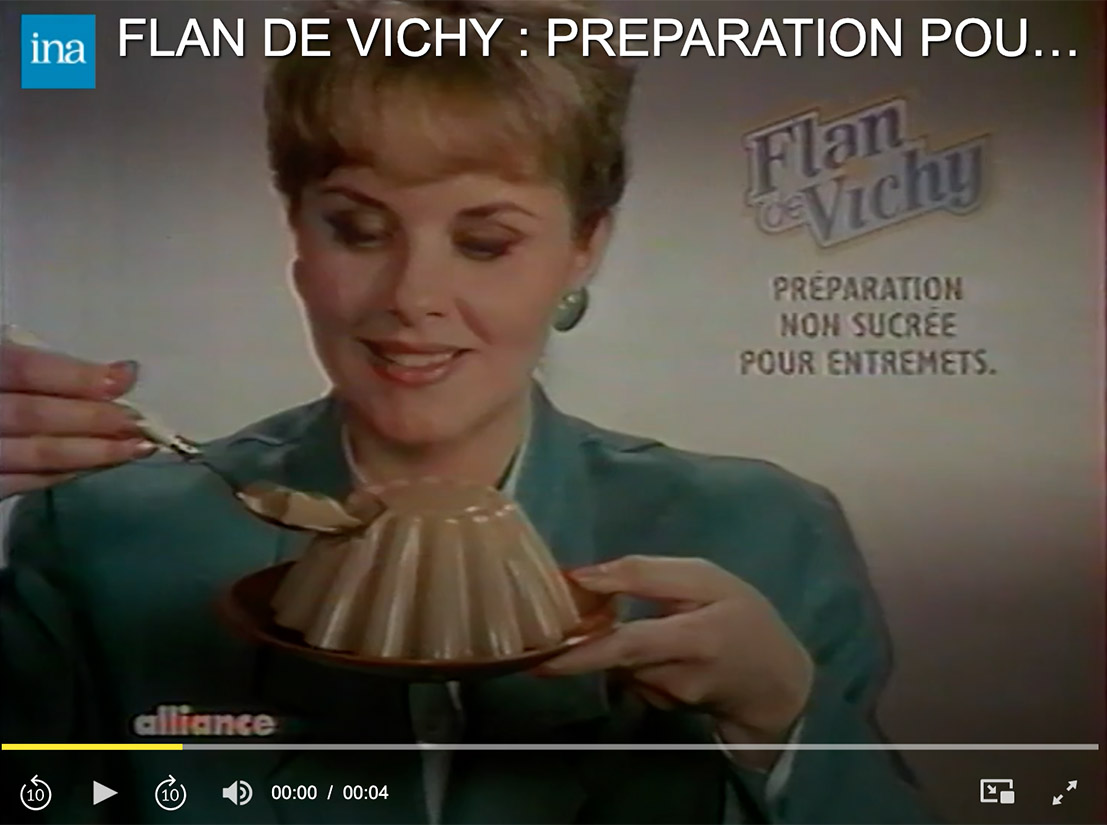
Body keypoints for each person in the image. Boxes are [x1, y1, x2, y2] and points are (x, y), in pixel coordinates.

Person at [0, 1, 935, 823]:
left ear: (583, 247)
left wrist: (784, 729)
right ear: (298, 239)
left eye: (484, 242)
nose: (413, 296)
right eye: (357, 230)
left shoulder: (761, 536)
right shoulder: (102, 540)